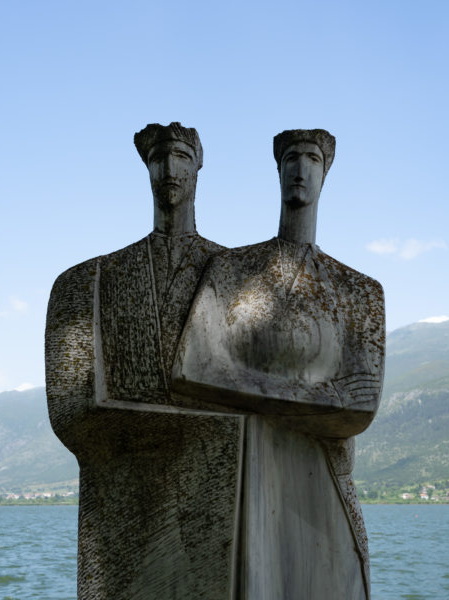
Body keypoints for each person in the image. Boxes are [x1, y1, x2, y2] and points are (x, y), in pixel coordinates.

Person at [173, 129, 385, 600]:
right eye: (291, 157)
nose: (300, 169)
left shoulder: (358, 291)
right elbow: (191, 368)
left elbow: (360, 404)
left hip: (324, 475)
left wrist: (239, 382)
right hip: (247, 474)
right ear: (277, 168)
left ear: (325, 173)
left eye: (312, 158)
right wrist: (314, 395)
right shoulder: (230, 270)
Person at [45, 123, 243, 599]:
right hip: (121, 508)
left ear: (198, 166)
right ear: (146, 168)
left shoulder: (237, 277)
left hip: (212, 509)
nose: (169, 169)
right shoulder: (89, 280)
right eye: (158, 158)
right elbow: (70, 413)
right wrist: (201, 424)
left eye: (179, 155)